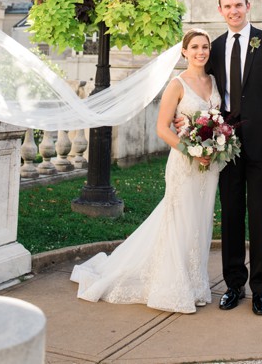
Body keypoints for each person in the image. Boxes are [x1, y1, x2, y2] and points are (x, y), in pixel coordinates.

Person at [71, 29, 222, 314]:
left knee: (200, 222)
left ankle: (195, 283)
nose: (200, 52)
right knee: (179, 221)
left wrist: (214, 146)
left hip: (210, 167)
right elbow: (162, 128)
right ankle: (172, 287)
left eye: (205, 47)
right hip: (185, 163)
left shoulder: (213, 81)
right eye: (195, 47)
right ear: (184, 52)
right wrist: (192, 150)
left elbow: (215, 121)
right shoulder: (177, 85)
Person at [207, 0, 262, 316]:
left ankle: (260, 288)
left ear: (248, 6)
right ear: (220, 11)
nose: (233, 11)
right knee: (230, 216)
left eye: (238, 5)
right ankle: (232, 285)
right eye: (227, 6)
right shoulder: (213, 48)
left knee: (259, 214)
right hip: (226, 146)